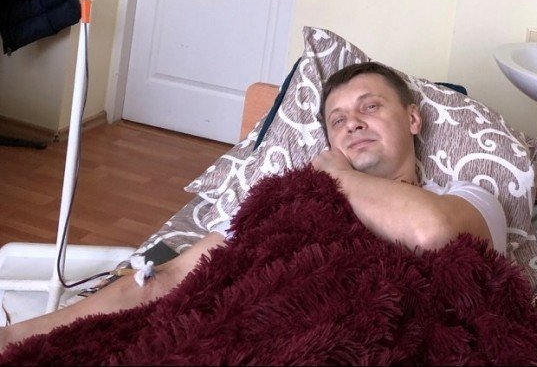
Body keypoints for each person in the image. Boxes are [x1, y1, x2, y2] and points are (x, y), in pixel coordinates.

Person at [0, 61, 506, 353]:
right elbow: (171, 279)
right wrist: (17, 337)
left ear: (413, 119)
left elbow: (431, 233)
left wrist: (336, 175)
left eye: (370, 107)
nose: (352, 123)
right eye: (337, 120)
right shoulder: (290, 199)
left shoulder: (468, 196)